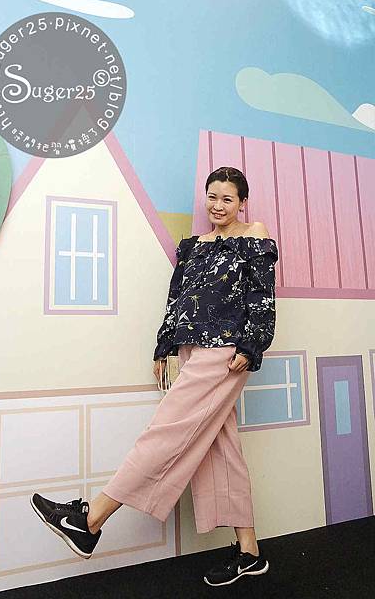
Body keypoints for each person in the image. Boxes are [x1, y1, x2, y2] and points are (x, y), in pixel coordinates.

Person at [31, 166, 279, 587]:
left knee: (166, 431)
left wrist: (252, 345)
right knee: (221, 450)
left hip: (225, 350)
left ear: (242, 202)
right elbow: (177, 298)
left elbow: (262, 295)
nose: (218, 206)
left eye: (228, 199)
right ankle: (250, 553)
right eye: (212, 197)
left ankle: (90, 520)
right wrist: (164, 346)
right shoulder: (194, 246)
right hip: (189, 347)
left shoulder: (253, 237)